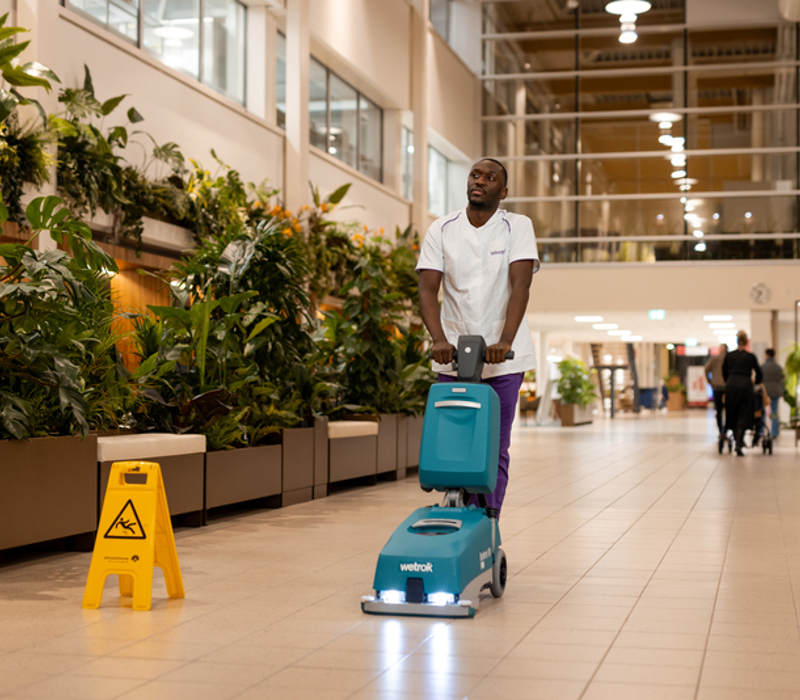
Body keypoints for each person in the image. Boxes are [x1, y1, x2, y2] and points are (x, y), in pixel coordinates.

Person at [416, 158, 539, 515]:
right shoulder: (442, 228)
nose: (480, 181)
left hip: (504, 360)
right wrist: (439, 340)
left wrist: (505, 341)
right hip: (454, 356)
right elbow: (427, 290)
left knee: (494, 446)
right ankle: (457, 513)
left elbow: (521, 285)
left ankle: (488, 518)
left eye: (490, 177)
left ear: (503, 190)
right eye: (475, 175)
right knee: (452, 442)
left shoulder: (517, 226)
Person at [722, 330, 762, 456]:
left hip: (732, 385)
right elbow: (759, 373)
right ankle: (740, 440)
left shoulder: (729, 356)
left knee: (732, 411)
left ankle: (736, 438)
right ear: (746, 342)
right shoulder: (751, 357)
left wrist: (729, 381)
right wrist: (756, 383)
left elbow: (724, 372)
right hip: (745, 385)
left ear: (737, 341)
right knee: (744, 413)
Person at [704, 344, 727, 437]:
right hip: (727, 387)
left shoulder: (714, 359)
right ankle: (726, 429)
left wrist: (709, 381)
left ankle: (720, 430)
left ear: (720, 350)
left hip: (716, 387)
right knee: (729, 409)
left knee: (718, 409)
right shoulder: (729, 359)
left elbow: (706, 369)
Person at [761, 348, 784, 438]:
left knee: (762, 411)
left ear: (767, 355)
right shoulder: (778, 367)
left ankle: (761, 431)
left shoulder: (763, 367)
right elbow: (782, 379)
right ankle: (774, 433)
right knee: (774, 412)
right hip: (775, 391)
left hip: (765, 392)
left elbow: (759, 379)